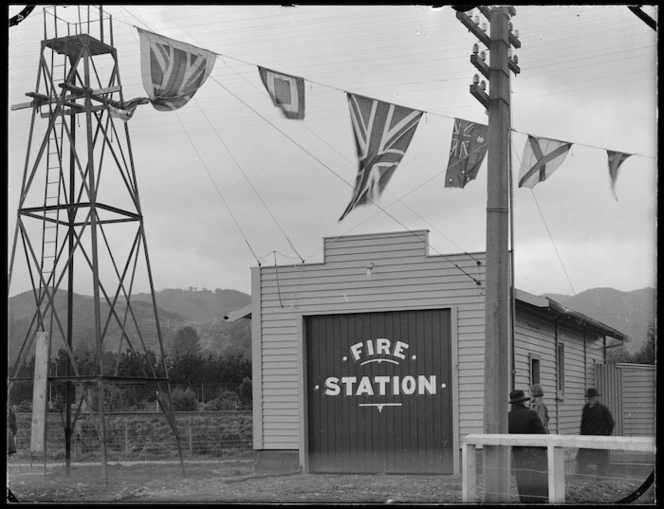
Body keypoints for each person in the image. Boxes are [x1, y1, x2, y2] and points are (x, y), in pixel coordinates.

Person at [508, 389, 548, 503]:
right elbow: (542, 434)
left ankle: (525, 500)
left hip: (519, 453)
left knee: (522, 478)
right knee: (538, 479)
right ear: (522, 401)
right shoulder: (531, 413)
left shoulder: (508, 416)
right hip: (535, 453)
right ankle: (539, 500)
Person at [577, 388, 614, 477]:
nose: (591, 399)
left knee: (601, 462)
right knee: (583, 460)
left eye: (593, 397)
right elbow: (583, 424)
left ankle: (601, 477)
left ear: (597, 398)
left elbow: (610, 423)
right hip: (586, 439)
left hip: (599, 439)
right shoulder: (585, 409)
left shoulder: (603, 409)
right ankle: (582, 478)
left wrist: (604, 435)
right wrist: (582, 437)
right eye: (589, 398)